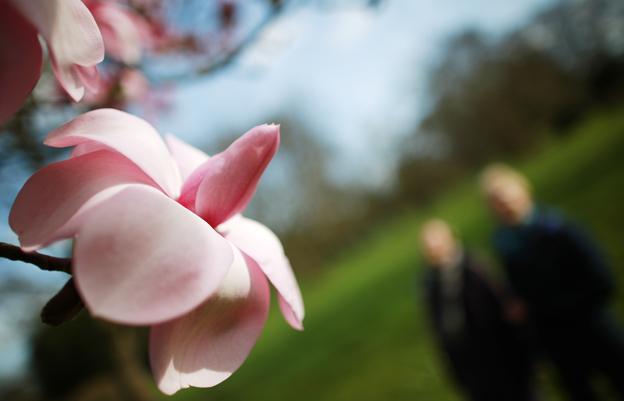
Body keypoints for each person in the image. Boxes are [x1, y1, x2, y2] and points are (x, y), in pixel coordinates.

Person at [481, 163, 624, 401]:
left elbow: (603, 282)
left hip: (595, 332)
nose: (505, 203)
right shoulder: (505, 246)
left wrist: (544, 306)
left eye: (508, 194)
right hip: (559, 348)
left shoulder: (559, 229)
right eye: (497, 200)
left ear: (524, 189)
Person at [420, 219, 535, 401]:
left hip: (499, 356)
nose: (434, 250)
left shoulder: (475, 267)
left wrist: (522, 355)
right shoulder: (430, 282)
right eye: (428, 247)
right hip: (468, 363)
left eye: (437, 244)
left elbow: (507, 308)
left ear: (451, 238)